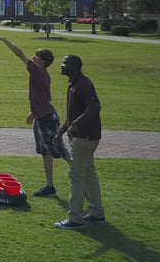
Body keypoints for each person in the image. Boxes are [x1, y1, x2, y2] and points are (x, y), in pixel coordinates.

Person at [0, 33, 68, 197]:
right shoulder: (44, 74)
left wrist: (4, 40)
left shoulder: (37, 71)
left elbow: (19, 53)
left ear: (43, 61)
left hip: (46, 119)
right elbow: (47, 97)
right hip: (43, 117)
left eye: (37, 56)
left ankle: (81, 177)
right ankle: (50, 186)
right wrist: (34, 113)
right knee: (46, 152)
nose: (33, 57)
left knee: (60, 151)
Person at [52, 54, 105, 229]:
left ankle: (75, 218)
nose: (61, 65)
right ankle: (96, 213)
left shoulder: (84, 84)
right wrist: (60, 132)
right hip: (83, 137)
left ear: (75, 66)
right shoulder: (73, 85)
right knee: (89, 174)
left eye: (65, 63)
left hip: (85, 137)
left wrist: (76, 123)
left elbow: (95, 107)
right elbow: (72, 115)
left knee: (76, 176)